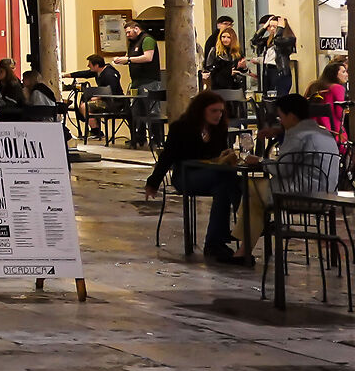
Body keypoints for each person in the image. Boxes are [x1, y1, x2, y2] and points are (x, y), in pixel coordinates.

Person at [145, 90, 252, 265]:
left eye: (220, 111)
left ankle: (218, 240)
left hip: (214, 175)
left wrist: (226, 156)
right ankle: (242, 228)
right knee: (230, 181)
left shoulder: (219, 128)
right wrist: (153, 182)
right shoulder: (181, 128)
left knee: (230, 184)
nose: (218, 115)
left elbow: (219, 154)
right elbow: (168, 156)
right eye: (214, 111)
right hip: (186, 176)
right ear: (201, 110)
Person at [267, 93, 342, 199]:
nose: (281, 122)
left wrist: (261, 162)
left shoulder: (297, 136)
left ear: (292, 117)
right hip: (329, 196)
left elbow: (282, 169)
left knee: (254, 187)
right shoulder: (325, 133)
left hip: (303, 196)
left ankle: (246, 215)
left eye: (281, 117)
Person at [119, 19, 161, 145]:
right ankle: (139, 137)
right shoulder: (133, 43)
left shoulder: (147, 39)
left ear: (136, 28)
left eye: (129, 32)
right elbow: (130, 56)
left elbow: (148, 57)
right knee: (137, 111)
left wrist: (129, 60)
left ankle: (156, 139)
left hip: (149, 81)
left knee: (152, 110)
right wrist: (123, 59)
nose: (127, 35)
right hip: (136, 82)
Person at [255, 14, 298, 99]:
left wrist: (280, 28)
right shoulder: (270, 39)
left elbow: (278, 41)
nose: (271, 29)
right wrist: (264, 27)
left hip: (279, 71)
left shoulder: (289, 39)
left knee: (278, 97)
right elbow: (254, 40)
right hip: (268, 70)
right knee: (267, 97)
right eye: (270, 26)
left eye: (275, 27)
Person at [203, 24, 247, 91]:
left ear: (233, 39)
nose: (225, 39)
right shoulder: (215, 51)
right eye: (223, 37)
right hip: (219, 86)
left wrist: (244, 67)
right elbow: (209, 69)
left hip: (235, 86)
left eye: (228, 37)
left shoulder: (238, 52)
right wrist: (228, 72)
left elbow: (243, 72)